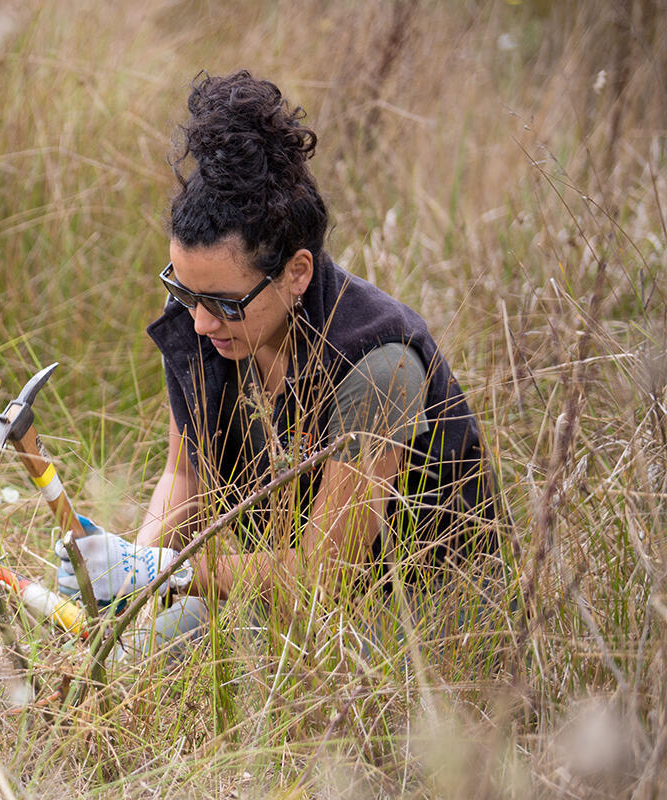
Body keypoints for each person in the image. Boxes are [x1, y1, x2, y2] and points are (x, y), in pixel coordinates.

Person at [55, 70, 499, 655]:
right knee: (124, 649)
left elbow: (324, 578)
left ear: (297, 274)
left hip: (421, 616)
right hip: (280, 586)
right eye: (185, 292)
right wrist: (131, 575)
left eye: (223, 303)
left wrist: (166, 572)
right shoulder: (205, 318)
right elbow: (184, 476)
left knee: (196, 651)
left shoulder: (380, 365)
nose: (200, 323)